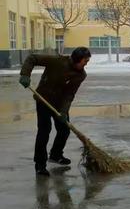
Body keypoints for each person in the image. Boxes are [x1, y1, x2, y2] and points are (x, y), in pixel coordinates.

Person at [19, 47, 91, 176]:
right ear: (77, 59)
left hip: (59, 104)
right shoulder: (57, 61)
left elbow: (69, 94)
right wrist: (25, 74)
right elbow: (32, 58)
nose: (86, 63)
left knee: (64, 130)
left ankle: (56, 155)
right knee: (44, 130)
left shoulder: (81, 75)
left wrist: (64, 111)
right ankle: (40, 164)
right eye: (85, 61)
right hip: (43, 99)